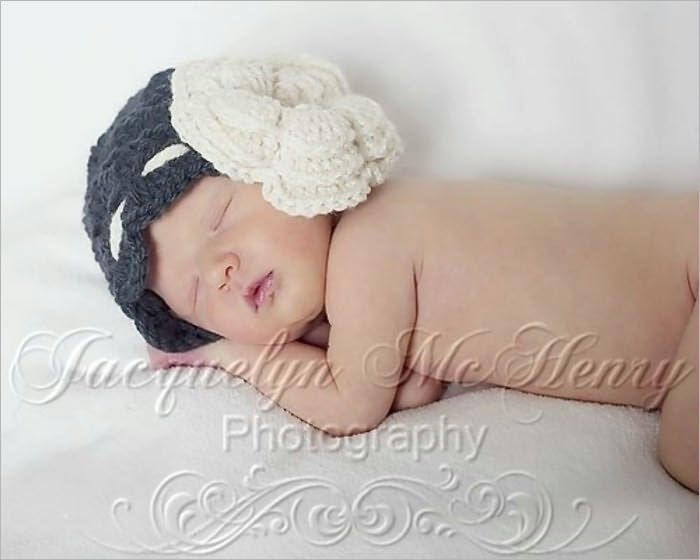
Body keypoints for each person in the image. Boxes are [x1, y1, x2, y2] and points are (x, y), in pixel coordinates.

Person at [83, 54, 698, 493]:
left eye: (220, 217)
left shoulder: (370, 244)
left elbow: (349, 403)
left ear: (284, 166)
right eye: (195, 293)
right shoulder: (372, 269)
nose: (221, 270)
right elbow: (411, 387)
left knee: (686, 452)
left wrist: (221, 352)